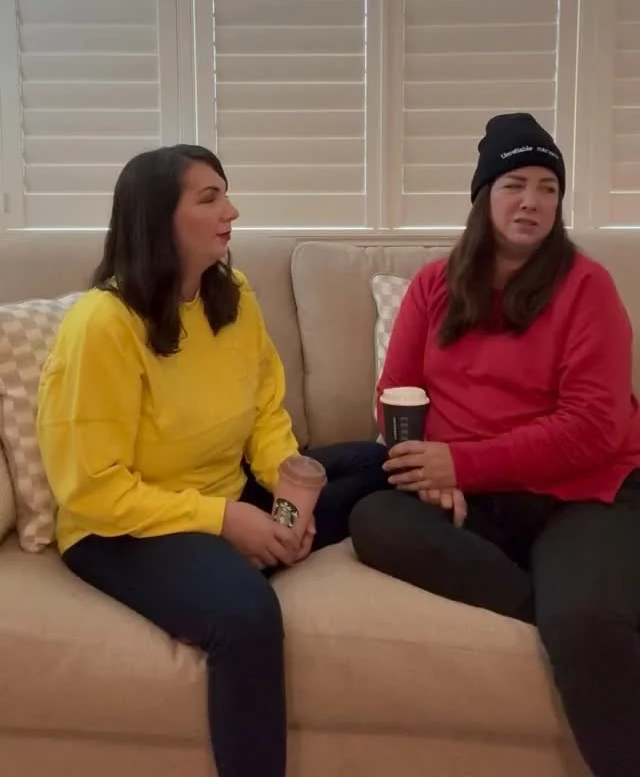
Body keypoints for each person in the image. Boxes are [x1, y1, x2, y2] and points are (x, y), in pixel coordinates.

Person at [37, 144, 387, 777]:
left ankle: (260, 550)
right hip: (121, 528)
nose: (232, 211)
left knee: (378, 465)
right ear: (158, 218)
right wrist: (228, 522)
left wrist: (290, 497)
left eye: (225, 194)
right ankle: (241, 563)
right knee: (247, 616)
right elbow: (92, 489)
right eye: (209, 198)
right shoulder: (102, 326)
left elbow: (265, 412)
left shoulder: (233, 297)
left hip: (224, 496)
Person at [349, 112, 640, 777]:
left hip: (583, 495)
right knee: (375, 519)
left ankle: (579, 606)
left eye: (547, 187)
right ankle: (559, 594)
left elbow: (594, 427)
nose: (532, 201)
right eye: (515, 184)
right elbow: (396, 394)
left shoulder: (587, 286)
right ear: (484, 196)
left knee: (586, 627)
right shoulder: (434, 285)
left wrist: (463, 463)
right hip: (477, 499)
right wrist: (432, 472)